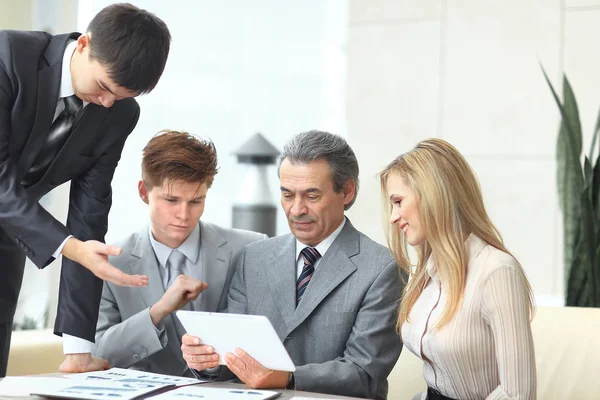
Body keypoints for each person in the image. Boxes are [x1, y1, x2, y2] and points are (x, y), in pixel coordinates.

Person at [0, 3, 171, 375]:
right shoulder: (7, 57)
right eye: (104, 87)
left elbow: (88, 216)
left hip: (10, 236)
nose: (108, 103)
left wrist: (78, 349)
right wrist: (71, 247)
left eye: (122, 96)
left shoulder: (120, 113)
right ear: (84, 44)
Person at [181, 130, 403, 399]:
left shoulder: (383, 268)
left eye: (312, 196)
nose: (296, 210)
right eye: (287, 195)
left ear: (346, 191)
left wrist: (288, 378)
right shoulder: (253, 258)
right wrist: (208, 362)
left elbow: (364, 373)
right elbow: (233, 357)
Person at [94, 130, 267, 376]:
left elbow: (265, 340)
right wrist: (158, 310)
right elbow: (99, 353)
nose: (184, 215)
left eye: (196, 201)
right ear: (144, 192)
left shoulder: (249, 249)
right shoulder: (111, 262)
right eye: (171, 200)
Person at [380, 138, 536, 400]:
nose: (394, 217)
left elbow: (517, 394)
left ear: (432, 195)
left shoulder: (497, 271)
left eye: (398, 201)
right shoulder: (427, 274)